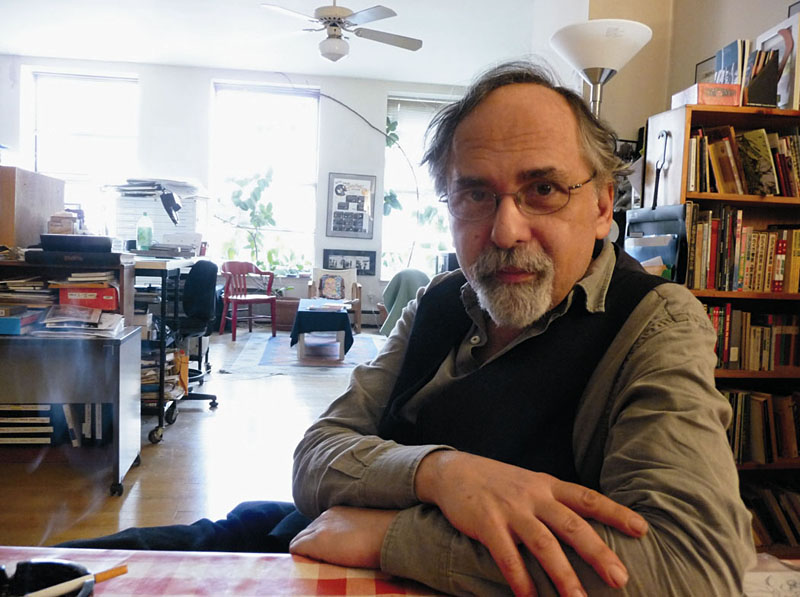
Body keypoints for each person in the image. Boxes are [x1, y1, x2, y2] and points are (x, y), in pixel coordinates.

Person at [60, 61, 756, 596]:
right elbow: (316, 456)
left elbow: (693, 571)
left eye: (543, 189)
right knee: (80, 569)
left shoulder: (654, 325)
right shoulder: (441, 301)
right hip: (299, 535)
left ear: (603, 205)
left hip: (371, 556)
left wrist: (392, 535)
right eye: (476, 193)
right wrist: (441, 473)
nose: (506, 229)